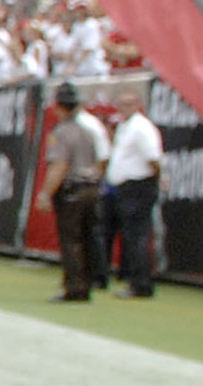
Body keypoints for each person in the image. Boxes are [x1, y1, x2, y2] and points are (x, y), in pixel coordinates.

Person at [36, 81, 107, 302]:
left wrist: (46, 192)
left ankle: (75, 286)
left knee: (71, 240)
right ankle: (88, 282)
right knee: (88, 238)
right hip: (92, 186)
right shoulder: (90, 128)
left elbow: (60, 165)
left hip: (72, 189)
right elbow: (102, 158)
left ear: (59, 106)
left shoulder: (63, 131)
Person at [104, 86, 162, 298]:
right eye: (121, 104)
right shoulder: (124, 126)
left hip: (138, 186)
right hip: (125, 187)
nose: (123, 108)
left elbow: (153, 159)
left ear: (138, 105)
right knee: (130, 236)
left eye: (128, 104)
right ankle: (133, 278)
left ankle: (141, 283)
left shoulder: (141, 127)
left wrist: (154, 181)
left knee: (137, 236)